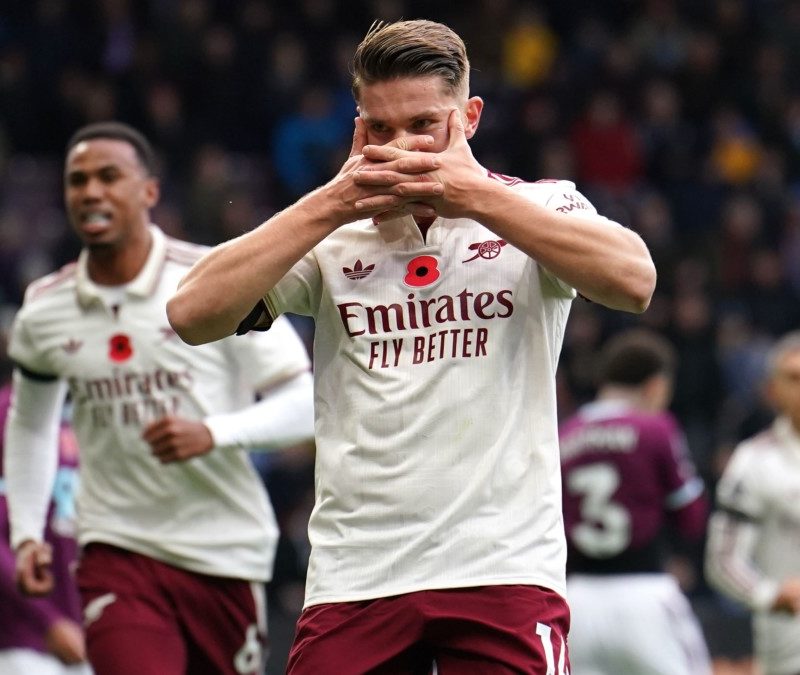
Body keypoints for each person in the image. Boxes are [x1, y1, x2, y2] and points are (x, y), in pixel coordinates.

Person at [167, 19, 657, 674]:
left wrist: (473, 195)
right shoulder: (333, 232)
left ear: (469, 117)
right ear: (357, 129)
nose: (402, 147)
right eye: (380, 128)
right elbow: (190, 313)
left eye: (423, 124)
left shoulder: (541, 206)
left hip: (502, 568)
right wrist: (331, 203)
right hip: (356, 576)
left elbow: (634, 281)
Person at [4, 121, 315, 675]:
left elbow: (305, 401)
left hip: (224, 550)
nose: (91, 191)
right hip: (115, 548)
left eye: (108, 177)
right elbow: (31, 426)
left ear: (149, 191)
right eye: (78, 180)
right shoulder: (46, 309)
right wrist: (27, 534)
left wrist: (214, 433)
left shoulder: (213, 283)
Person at [559, 328, 712, 675]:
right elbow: (690, 516)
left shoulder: (565, 433)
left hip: (576, 600)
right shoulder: (655, 428)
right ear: (656, 386)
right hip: (644, 592)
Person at [705, 331, 800, 675]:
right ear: (773, 390)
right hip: (788, 654)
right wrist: (769, 595)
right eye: (794, 377)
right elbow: (723, 559)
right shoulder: (753, 462)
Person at [0, 344, 92, 675]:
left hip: (85, 627)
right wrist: (47, 620)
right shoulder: (7, 415)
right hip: (21, 638)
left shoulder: (81, 414)